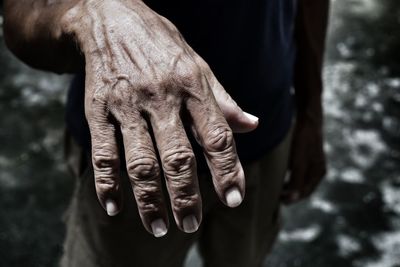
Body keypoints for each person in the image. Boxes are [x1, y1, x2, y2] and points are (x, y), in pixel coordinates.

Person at [3, 0, 329, 266]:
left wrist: (312, 113)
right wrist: (90, 14)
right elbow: (22, 14)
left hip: (266, 132)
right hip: (133, 156)